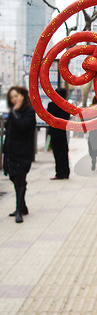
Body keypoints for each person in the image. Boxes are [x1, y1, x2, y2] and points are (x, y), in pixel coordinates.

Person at [3, 86, 36, 223]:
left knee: (19, 181)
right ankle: (23, 206)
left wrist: (15, 113)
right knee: (13, 177)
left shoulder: (29, 111)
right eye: (12, 97)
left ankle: (19, 210)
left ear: (23, 96)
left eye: (16, 96)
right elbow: (8, 129)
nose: (14, 99)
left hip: (23, 152)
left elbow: (23, 126)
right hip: (11, 151)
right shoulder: (13, 112)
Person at [47, 88, 70, 180]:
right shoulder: (67, 106)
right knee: (64, 152)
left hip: (54, 131)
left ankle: (59, 172)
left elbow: (49, 117)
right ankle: (66, 172)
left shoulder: (51, 105)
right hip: (63, 131)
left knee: (57, 152)